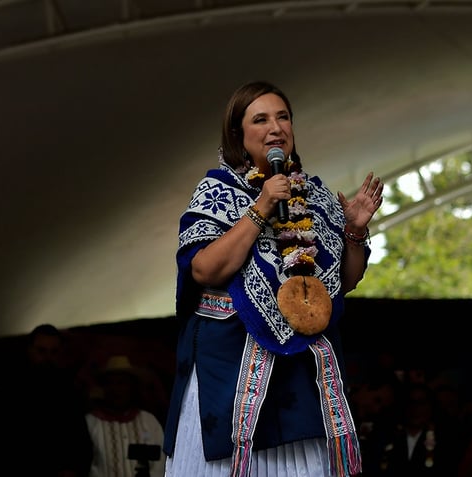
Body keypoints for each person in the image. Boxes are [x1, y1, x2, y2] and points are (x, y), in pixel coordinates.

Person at [162, 80, 384, 477]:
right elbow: (203, 269)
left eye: (283, 117)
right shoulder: (219, 189)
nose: (275, 128)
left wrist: (353, 231)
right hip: (230, 367)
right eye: (260, 119)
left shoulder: (313, 194)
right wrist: (261, 206)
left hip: (300, 373)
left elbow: (341, 284)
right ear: (238, 133)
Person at [0, 323, 93, 477]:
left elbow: (79, 438)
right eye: (41, 351)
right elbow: (1, 438)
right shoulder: (10, 389)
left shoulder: (68, 391)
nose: (47, 357)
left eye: (53, 352)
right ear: (30, 350)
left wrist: (72, 469)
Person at [85, 354, 165, 477]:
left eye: (122, 383)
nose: (116, 389)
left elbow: (160, 464)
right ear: (104, 388)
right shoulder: (90, 422)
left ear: (131, 386)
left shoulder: (149, 421)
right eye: (111, 383)